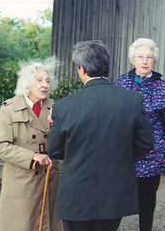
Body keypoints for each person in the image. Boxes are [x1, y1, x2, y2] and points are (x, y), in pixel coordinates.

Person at [47, 40, 154, 231]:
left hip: (76, 194)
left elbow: (54, 150)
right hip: (114, 193)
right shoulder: (132, 101)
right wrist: (120, 153)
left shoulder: (63, 107)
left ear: (81, 68)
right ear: (107, 66)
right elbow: (146, 143)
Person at [114, 38, 165, 231]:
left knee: (146, 205)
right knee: (116, 203)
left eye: (149, 57)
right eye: (140, 57)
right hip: (124, 158)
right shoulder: (121, 83)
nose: (144, 61)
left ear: (154, 60)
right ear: (132, 60)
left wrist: (162, 148)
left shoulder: (162, 87)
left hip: (152, 159)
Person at [0, 58, 63, 231]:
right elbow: (1, 146)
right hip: (21, 184)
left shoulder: (57, 108)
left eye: (47, 81)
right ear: (26, 84)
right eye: (39, 80)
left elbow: (64, 144)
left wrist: (56, 131)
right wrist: (32, 156)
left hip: (50, 181)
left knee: (50, 224)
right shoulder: (9, 108)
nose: (45, 85)